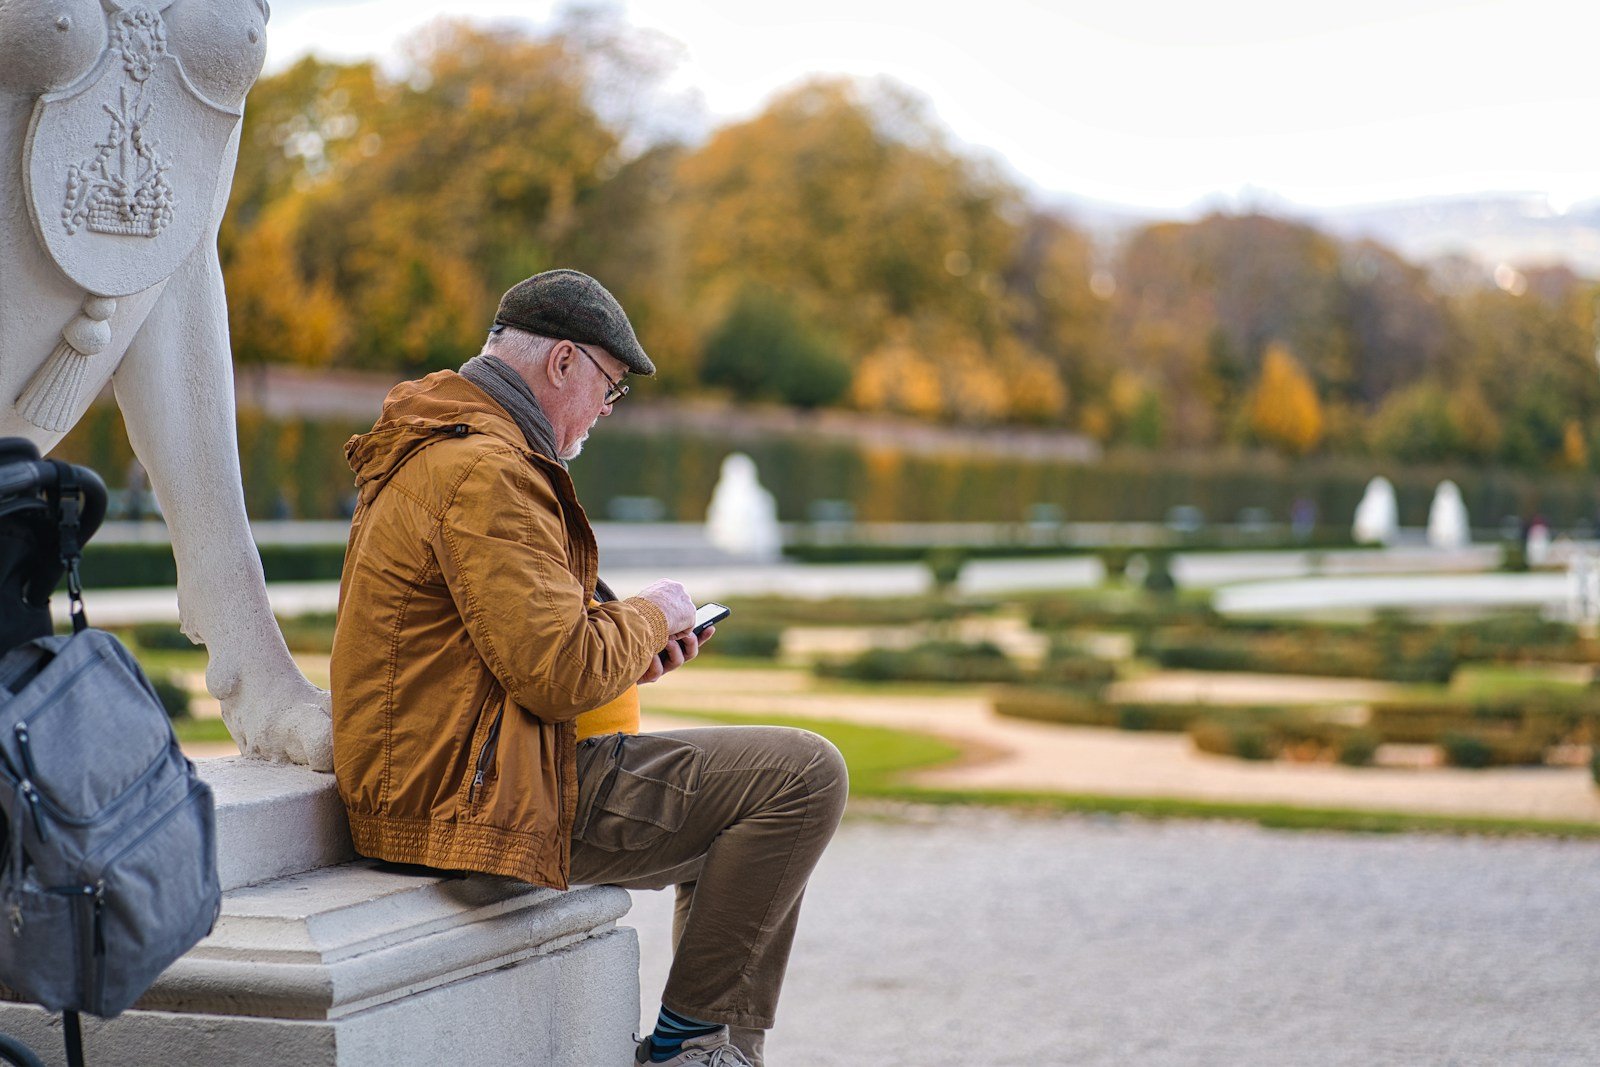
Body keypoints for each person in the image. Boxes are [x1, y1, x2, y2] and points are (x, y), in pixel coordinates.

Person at [330, 269, 847, 1067]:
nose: (608, 409)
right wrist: (652, 614)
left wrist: (633, 651)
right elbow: (556, 671)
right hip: (472, 798)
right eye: (610, 385)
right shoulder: (488, 470)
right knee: (802, 777)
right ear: (563, 362)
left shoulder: (449, 446)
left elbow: (507, 653)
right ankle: (687, 1051)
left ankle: (708, 1050)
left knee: (757, 840)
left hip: (448, 778)